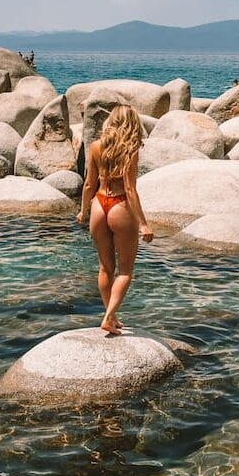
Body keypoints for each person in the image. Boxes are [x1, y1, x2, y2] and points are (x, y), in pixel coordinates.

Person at [77, 104, 154, 335]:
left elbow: (89, 184)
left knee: (105, 268)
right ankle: (109, 316)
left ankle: (111, 315)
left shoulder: (96, 146)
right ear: (131, 124)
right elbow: (130, 189)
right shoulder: (131, 149)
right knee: (125, 271)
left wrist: (83, 211)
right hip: (120, 205)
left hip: (100, 205)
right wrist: (143, 223)